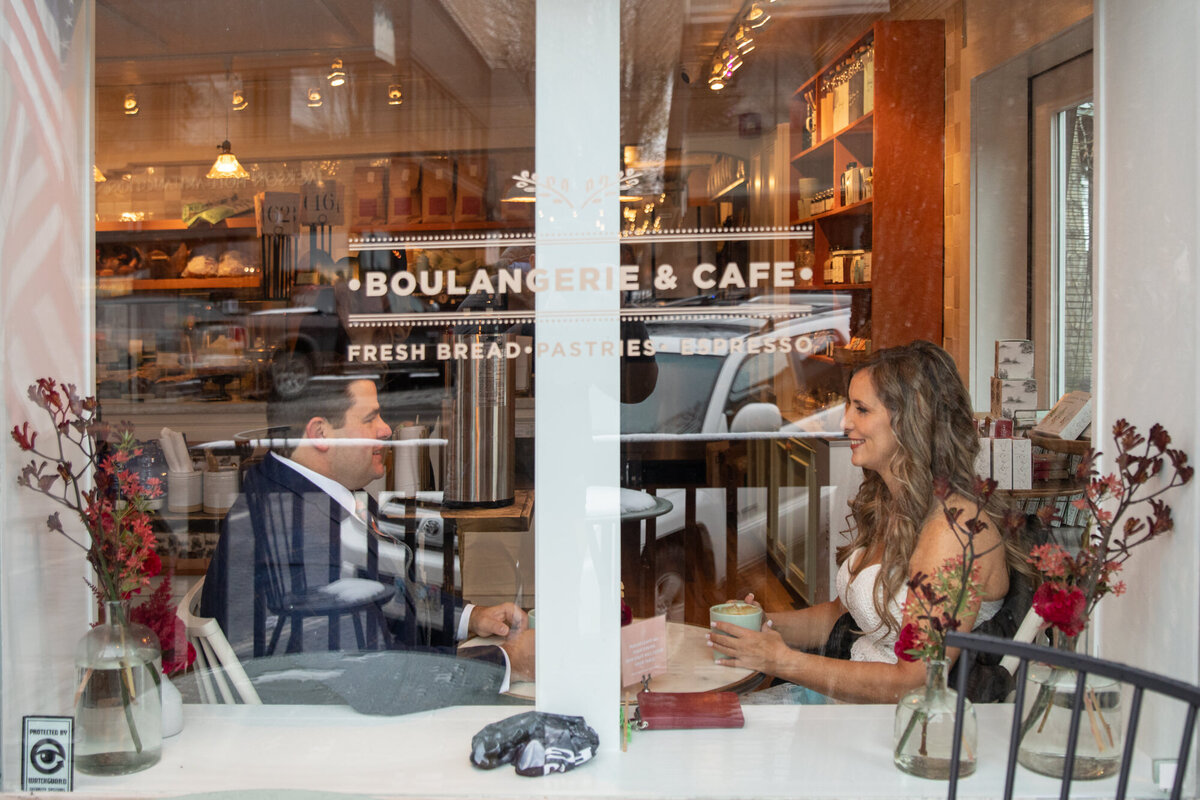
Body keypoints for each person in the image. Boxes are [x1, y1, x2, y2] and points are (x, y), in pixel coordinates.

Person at [709, 340, 1023, 703]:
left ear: (912, 419)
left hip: (888, 726)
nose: (845, 422)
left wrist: (781, 661)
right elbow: (842, 617)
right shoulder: (892, 502)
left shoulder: (953, 529)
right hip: (847, 701)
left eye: (861, 409)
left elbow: (915, 681)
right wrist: (759, 624)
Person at [200, 378, 535, 684]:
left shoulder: (298, 490)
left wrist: (469, 617)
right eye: (370, 419)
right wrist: (505, 662)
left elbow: (388, 593)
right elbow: (378, 678)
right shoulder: (303, 534)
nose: (386, 430)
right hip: (327, 733)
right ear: (320, 434)